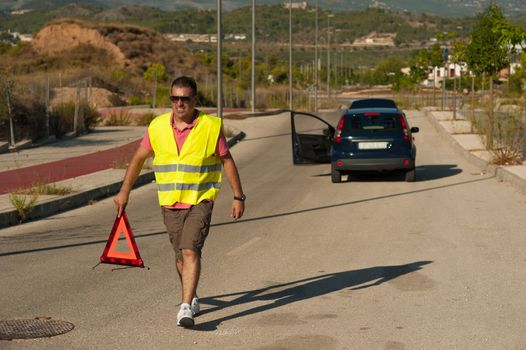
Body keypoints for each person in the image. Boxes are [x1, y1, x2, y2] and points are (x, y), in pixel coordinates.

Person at [113, 76, 245, 328]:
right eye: (175, 98)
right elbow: (139, 158)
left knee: (190, 250)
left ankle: (185, 307)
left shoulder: (210, 126)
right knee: (180, 256)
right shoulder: (157, 126)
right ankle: (192, 295)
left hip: (200, 200)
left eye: (185, 98)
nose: (180, 103)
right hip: (170, 203)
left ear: (195, 99)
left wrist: (238, 196)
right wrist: (124, 192)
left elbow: (226, 160)